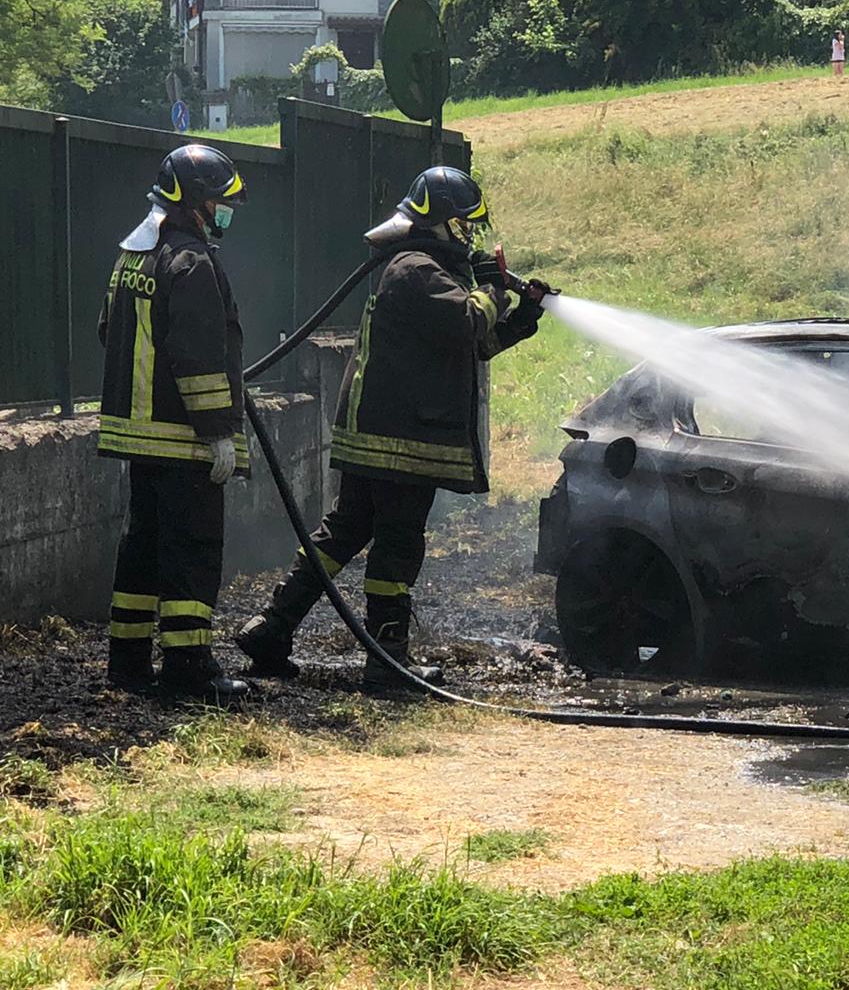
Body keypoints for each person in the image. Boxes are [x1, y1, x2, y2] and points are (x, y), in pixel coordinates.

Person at [235, 167, 547, 691]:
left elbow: (465, 350)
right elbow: (468, 323)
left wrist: (521, 319)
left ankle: (272, 627)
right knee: (397, 545)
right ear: (443, 222)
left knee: (347, 531)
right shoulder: (416, 270)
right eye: (464, 225)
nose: (470, 236)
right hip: (398, 440)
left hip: (383, 432)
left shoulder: (424, 271)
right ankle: (388, 659)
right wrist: (494, 290)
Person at [98, 144, 251, 702]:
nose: (224, 210)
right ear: (194, 203)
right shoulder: (191, 261)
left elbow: (106, 334)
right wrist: (217, 434)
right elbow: (197, 356)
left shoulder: (131, 258)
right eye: (218, 200)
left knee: (141, 546)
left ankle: (129, 661)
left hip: (138, 436)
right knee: (191, 548)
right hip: (182, 437)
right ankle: (189, 668)